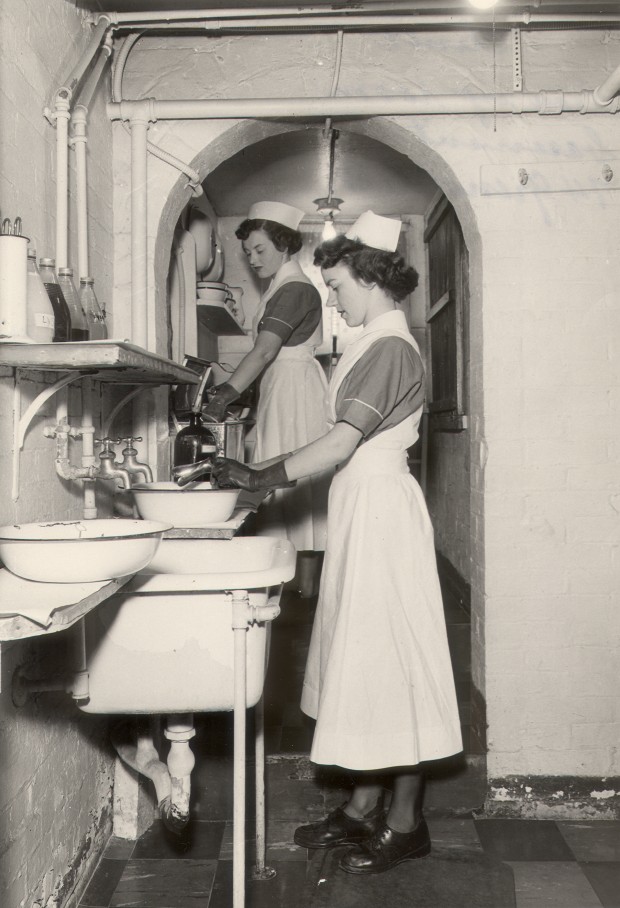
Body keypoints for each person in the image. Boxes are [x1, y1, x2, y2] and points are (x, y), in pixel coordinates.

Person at [212, 210, 463, 874]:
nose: (334, 299)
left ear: (367, 275)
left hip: (381, 509)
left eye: (339, 286)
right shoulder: (370, 341)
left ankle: (406, 821)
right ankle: (360, 805)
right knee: (364, 658)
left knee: (394, 659)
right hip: (362, 506)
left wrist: (262, 475)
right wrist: (265, 473)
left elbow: (341, 443)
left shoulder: (390, 346)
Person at [204, 201, 329, 594]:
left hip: (294, 388)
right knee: (285, 475)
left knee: (293, 476)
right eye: (248, 253)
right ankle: (293, 584)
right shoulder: (282, 285)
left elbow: (263, 351)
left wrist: (226, 392)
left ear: (285, 245)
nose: (253, 259)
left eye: (260, 250)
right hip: (285, 384)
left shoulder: (293, 288)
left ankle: (302, 590)